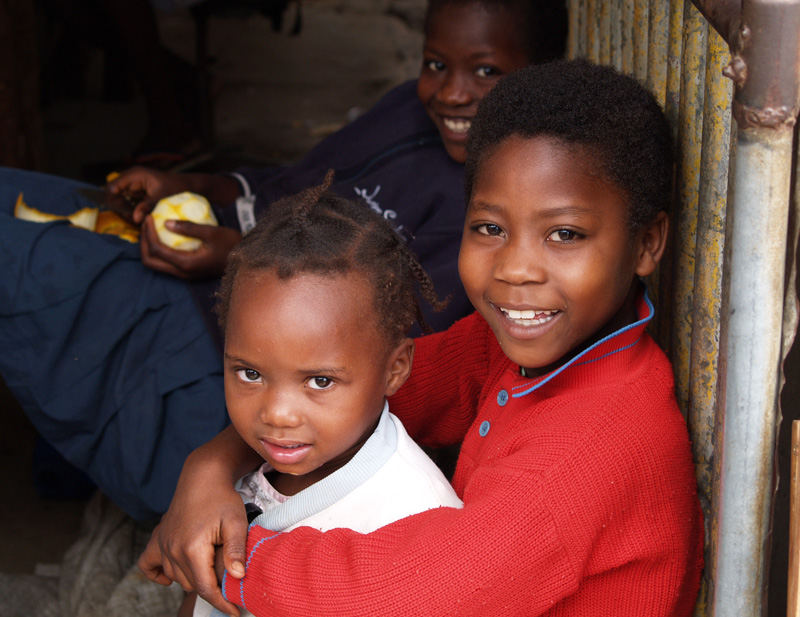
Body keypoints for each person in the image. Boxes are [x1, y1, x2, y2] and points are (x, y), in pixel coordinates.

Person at [139, 59, 705, 616]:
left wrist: (223, 555)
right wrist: (208, 469)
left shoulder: (597, 443)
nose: (516, 269)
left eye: (564, 233)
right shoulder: (511, 343)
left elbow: (405, 594)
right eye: (490, 228)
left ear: (648, 243)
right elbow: (346, 392)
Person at [0, 0, 566, 520]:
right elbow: (288, 186)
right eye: (436, 64)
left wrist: (240, 263)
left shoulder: (496, 207)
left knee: (30, 261)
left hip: (213, 342)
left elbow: (362, 340)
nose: (451, 93)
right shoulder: (408, 114)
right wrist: (188, 183)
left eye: (486, 72)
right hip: (217, 297)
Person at [180, 173, 462, 617]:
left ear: (396, 369)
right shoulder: (249, 461)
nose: (276, 413)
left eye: (320, 382)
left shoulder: (415, 515)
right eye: (250, 373)